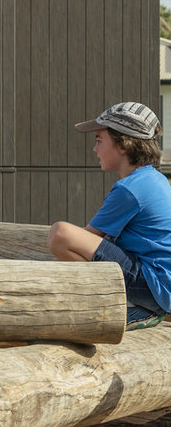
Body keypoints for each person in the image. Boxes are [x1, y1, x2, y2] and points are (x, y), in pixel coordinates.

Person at [48, 101, 171, 329]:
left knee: (61, 234)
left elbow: (79, 241)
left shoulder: (130, 190)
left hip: (153, 287)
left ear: (123, 145)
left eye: (99, 141)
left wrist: (42, 277)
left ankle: (130, 306)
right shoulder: (154, 179)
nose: (95, 149)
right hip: (160, 286)